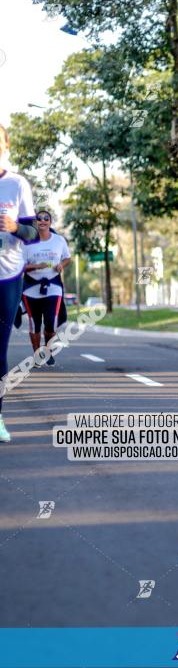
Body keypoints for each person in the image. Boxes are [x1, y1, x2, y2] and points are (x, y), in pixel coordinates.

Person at [0, 125, 38, 442]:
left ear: (6, 146)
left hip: (7, 276)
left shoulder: (16, 184)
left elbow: (32, 234)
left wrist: (14, 227)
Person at [22, 209, 70, 367]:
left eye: (46, 218)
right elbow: (20, 266)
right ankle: (36, 354)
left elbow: (67, 258)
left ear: (50, 222)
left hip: (53, 285)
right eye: (39, 218)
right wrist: (36, 266)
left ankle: (47, 350)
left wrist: (61, 266)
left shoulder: (59, 240)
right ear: (35, 222)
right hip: (31, 287)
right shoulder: (27, 243)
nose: (43, 221)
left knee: (51, 322)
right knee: (34, 323)